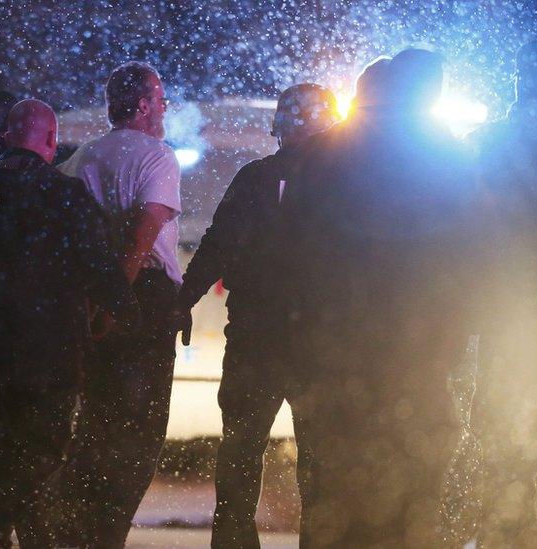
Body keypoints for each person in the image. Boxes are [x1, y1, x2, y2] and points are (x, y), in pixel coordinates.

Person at [275, 49, 477, 547]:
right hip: (414, 349)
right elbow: (465, 248)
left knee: (333, 483)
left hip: (338, 346)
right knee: (412, 485)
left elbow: (294, 247)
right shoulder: (444, 156)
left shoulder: (325, 155)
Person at [0, 99, 138, 548]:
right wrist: (128, 312)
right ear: (51, 141)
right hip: (50, 352)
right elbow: (99, 266)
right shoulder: (66, 195)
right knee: (42, 451)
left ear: (7, 137)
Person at [176, 83, 340, 548]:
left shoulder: (255, 178)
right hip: (320, 342)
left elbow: (217, 246)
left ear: (280, 127)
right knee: (320, 462)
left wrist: (182, 300)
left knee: (240, 452)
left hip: (255, 339)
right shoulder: (349, 185)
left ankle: (232, 542)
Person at [57, 61, 183, 548]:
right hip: (140, 298)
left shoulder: (82, 157)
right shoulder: (157, 157)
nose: (165, 109)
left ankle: (75, 528)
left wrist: (91, 298)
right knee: (140, 431)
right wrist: (117, 300)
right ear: (146, 105)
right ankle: (105, 533)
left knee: (94, 422)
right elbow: (145, 231)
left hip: (85, 293)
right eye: (162, 99)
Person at [469, 40, 537, 547]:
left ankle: (504, 527)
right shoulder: (492, 142)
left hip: (499, 308)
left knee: (497, 431)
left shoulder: (487, 141)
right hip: (509, 308)